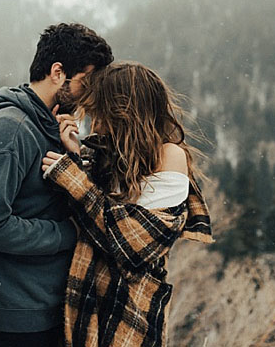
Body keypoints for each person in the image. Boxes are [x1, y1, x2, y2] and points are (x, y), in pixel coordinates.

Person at [41, 61, 214, 347]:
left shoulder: (170, 156)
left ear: (125, 113)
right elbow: (94, 215)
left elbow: (133, 244)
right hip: (87, 303)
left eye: (101, 113)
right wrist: (76, 156)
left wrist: (74, 178)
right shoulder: (107, 154)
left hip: (131, 314)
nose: (96, 124)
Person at [0, 23, 114, 347]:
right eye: (87, 83)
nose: (90, 95)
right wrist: (67, 233)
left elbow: (44, 203)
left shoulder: (48, 128)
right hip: (15, 318)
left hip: (43, 308)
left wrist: (73, 156)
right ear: (58, 73)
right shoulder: (9, 131)